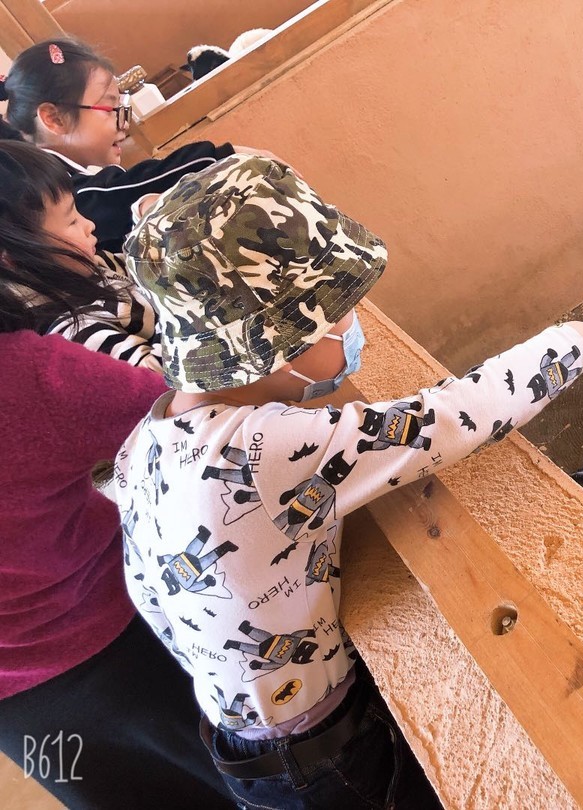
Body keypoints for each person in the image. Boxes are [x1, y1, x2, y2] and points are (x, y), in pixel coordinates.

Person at [114, 152, 583, 807]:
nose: (352, 326)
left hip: (246, 742)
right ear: (281, 342)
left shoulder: (152, 438)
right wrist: (578, 342)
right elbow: (450, 419)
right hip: (327, 752)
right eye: (338, 315)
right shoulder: (263, 451)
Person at [0, 159, 233, 808]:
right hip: (119, 645)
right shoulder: (34, 375)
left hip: (26, 724)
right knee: (252, 785)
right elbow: (204, 409)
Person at [0, 38, 250, 253]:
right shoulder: (61, 193)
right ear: (55, 119)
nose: (124, 124)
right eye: (110, 109)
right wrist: (219, 156)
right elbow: (119, 190)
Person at [0, 139, 161, 369]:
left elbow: (144, 265)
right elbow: (158, 377)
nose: (89, 225)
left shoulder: (87, 265)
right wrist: (185, 304)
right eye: (72, 220)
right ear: (12, 258)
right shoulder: (74, 332)